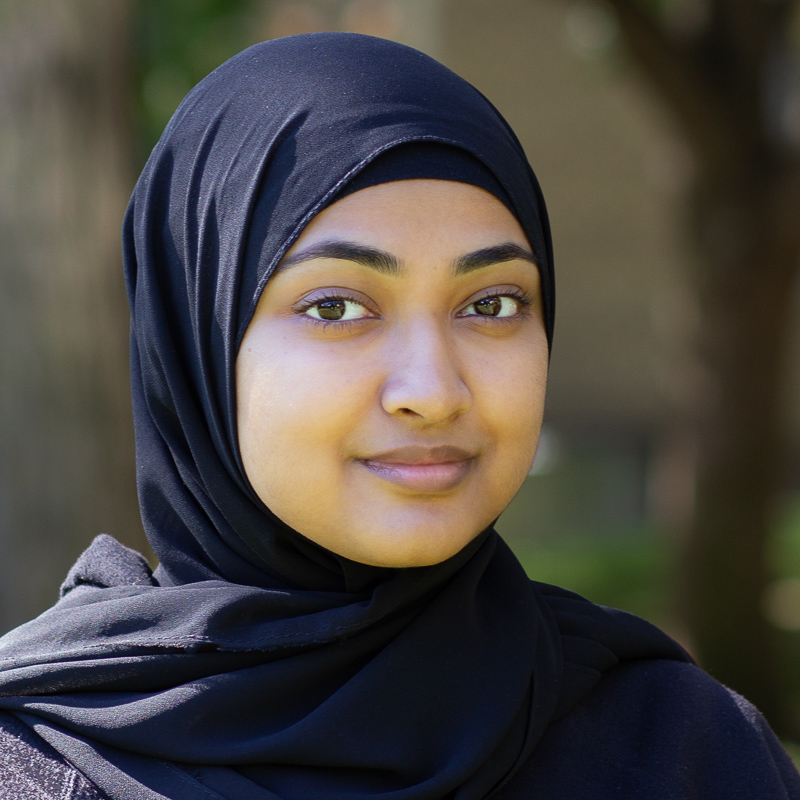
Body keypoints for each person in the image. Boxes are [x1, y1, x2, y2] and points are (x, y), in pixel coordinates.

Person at [0, 32, 796, 800]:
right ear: (193, 344)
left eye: (492, 303)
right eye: (338, 305)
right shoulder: (39, 770)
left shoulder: (687, 752)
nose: (434, 389)